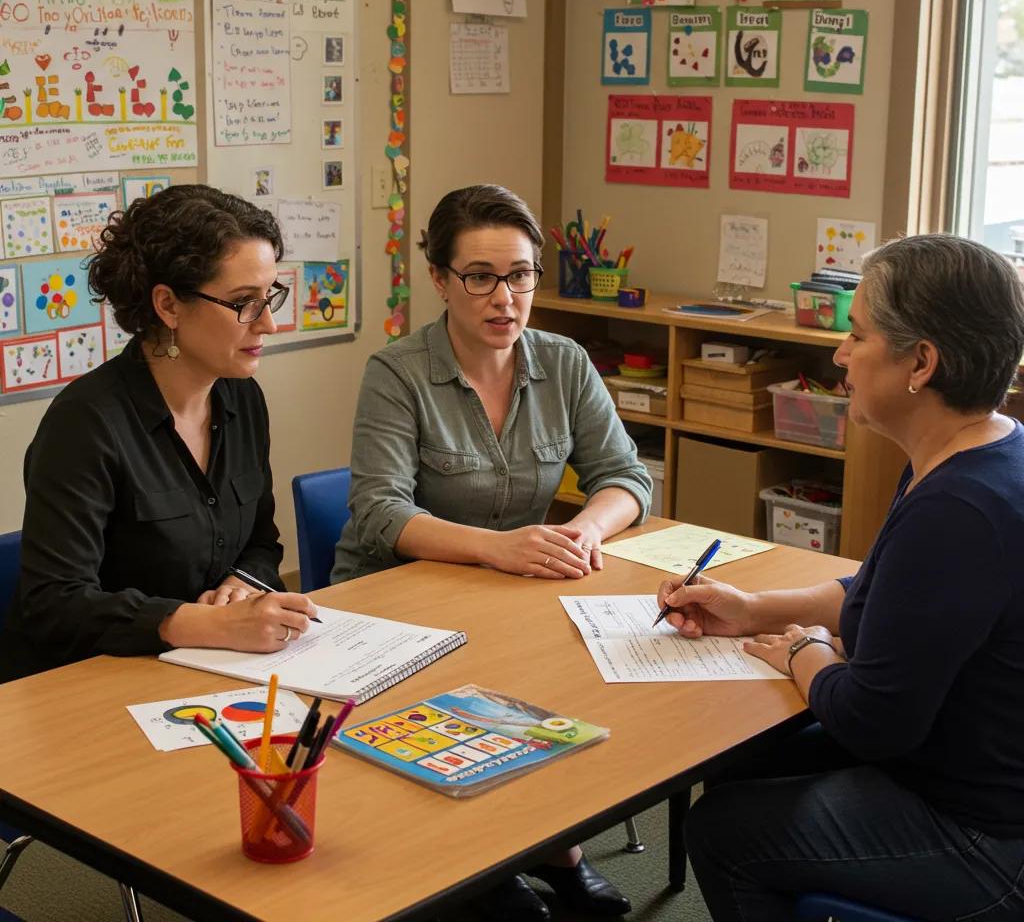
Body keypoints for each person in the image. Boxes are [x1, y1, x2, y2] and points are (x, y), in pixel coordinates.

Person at [656, 234, 1024, 921]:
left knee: (722, 831)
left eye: (856, 335)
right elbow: (885, 590)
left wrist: (806, 654)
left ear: (922, 362)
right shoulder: (981, 447)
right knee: (738, 764)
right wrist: (751, 608)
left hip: (984, 837)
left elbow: (871, 720)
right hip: (962, 773)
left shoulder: (958, 510)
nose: (838, 355)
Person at [333, 184, 652, 920]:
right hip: (397, 605)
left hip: (513, 594)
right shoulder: (398, 371)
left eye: (521, 274)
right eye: (480, 276)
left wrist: (589, 530)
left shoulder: (564, 362)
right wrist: (497, 550)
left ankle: (553, 844)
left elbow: (627, 477)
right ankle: (494, 867)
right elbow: (378, 512)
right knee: (485, 700)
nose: (504, 297)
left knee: (578, 682)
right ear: (440, 280)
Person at [0, 185, 318, 683]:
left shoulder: (242, 398)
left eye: (270, 296)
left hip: (205, 673)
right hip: (89, 685)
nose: (270, 324)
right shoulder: (85, 423)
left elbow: (261, 542)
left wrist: (242, 583)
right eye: (244, 303)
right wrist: (204, 623)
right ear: (168, 306)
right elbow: (55, 605)